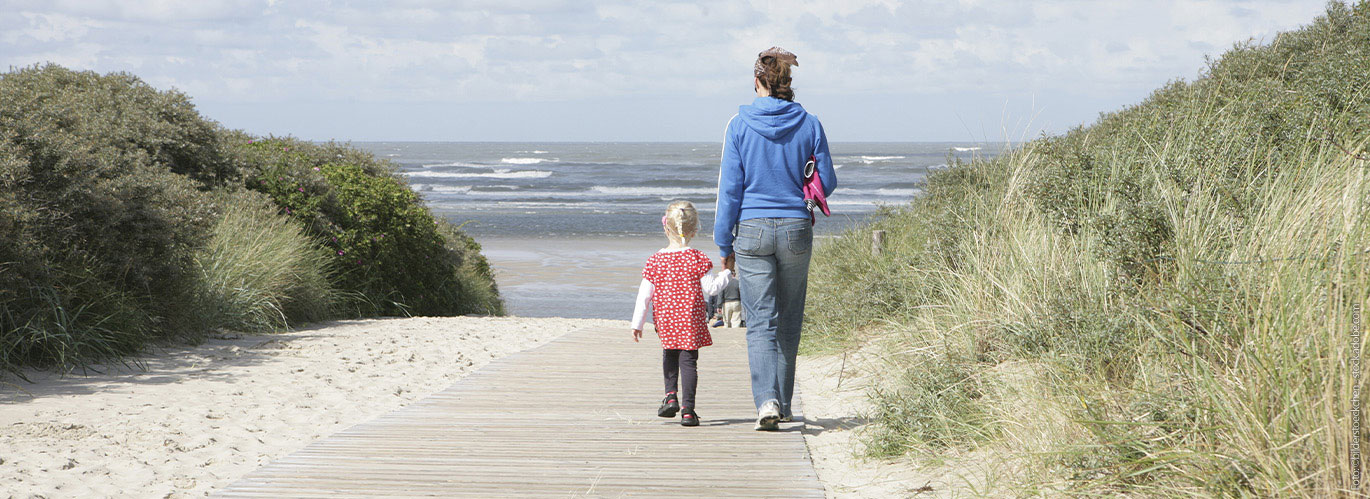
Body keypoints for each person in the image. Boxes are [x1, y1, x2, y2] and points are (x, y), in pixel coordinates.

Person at [714, 47, 837, 431]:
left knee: (761, 320)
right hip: (796, 227)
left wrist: (723, 244)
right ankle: (783, 403)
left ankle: (766, 402)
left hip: (750, 230)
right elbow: (827, 182)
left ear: (757, 81)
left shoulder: (738, 124)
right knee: (789, 318)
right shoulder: (810, 122)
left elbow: (729, 191)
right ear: (788, 82)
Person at [630, 200, 732, 427]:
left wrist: (637, 322)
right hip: (690, 320)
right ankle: (688, 410)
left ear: (665, 227)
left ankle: (670, 395)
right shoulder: (697, 257)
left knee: (669, 355)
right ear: (695, 229)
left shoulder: (656, 260)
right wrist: (727, 273)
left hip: (666, 319)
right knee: (688, 362)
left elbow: (644, 294)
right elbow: (712, 288)